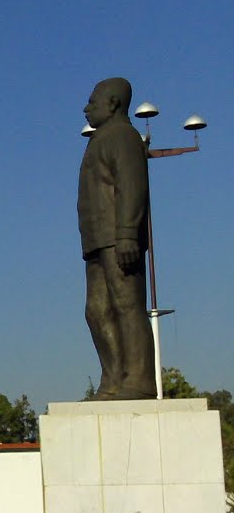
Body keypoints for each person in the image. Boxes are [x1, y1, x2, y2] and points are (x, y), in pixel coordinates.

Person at [78, 77, 156, 400]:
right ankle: (112, 379)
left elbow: (131, 186)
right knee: (96, 310)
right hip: (96, 240)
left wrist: (127, 234)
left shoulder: (123, 136)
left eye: (92, 102)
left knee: (127, 305)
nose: (86, 108)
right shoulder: (98, 140)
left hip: (117, 237)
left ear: (111, 103)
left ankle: (138, 379)